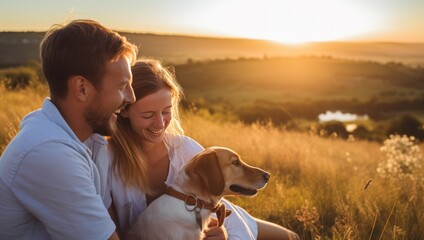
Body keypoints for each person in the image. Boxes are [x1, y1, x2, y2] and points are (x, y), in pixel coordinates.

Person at [87, 59, 299, 239]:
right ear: (124, 111)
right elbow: (107, 231)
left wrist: (221, 233)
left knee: (292, 237)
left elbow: (216, 204)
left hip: (227, 217)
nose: (160, 124)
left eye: (166, 111)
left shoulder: (186, 149)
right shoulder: (105, 159)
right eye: (148, 115)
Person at [0, 19, 137, 240]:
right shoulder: (49, 152)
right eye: (122, 87)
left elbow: (108, 222)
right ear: (82, 88)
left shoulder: (91, 139)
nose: (131, 98)